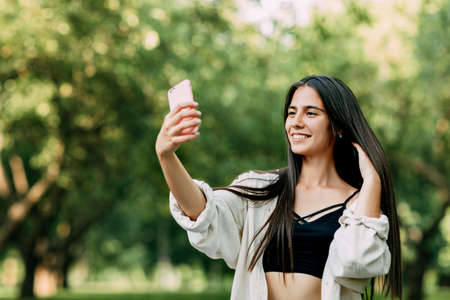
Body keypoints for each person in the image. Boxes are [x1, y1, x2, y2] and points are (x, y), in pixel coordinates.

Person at [155, 75, 402, 300]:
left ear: (337, 126)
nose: (296, 122)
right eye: (292, 113)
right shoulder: (260, 190)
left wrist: (372, 180)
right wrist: (166, 156)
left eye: (311, 113)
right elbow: (202, 213)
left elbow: (359, 263)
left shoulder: (358, 205)